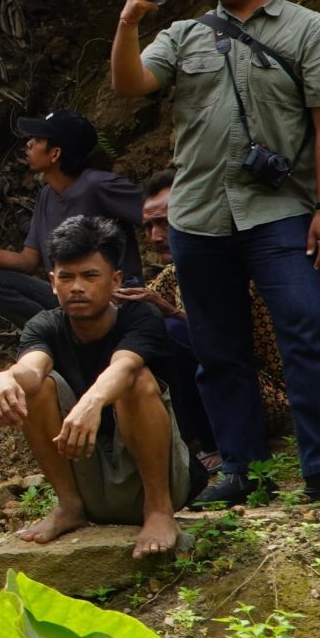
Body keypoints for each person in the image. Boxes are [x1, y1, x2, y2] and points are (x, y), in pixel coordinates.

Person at [111, 0, 320, 505]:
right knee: (217, 348)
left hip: (281, 213)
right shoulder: (184, 34)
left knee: (307, 330)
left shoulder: (308, 29)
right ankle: (243, 471)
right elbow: (130, 83)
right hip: (198, 216)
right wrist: (130, 20)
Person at [0, 216, 192, 561]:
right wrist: (3, 378)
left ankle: (158, 513)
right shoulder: (46, 325)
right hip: (90, 479)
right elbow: (31, 370)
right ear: (52, 283)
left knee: (135, 380)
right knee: (38, 387)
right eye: (66, 277)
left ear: (114, 281)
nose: (76, 287)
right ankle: (69, 507)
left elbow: (124, 365)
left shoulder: (139, 317)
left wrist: (93, 401)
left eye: (89, 276)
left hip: (154, 479)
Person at [128, 171, 273, 482]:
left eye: (165, 222)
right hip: (226, 387)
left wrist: (170, 311)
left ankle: (216, 445)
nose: (155, 236)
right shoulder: (174, 272)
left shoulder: (234, 266)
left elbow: (242, 340)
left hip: (261, 391)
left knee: (173, 332)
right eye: (149, 226)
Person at [0, 112, 144, 326]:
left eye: (37, 140)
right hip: (70, 299)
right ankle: (61, 338)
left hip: (114, 301)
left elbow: (163, 216)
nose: (28, 144)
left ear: (55, 154)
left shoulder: (99, 186)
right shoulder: (46, 195)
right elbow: (28, 261)